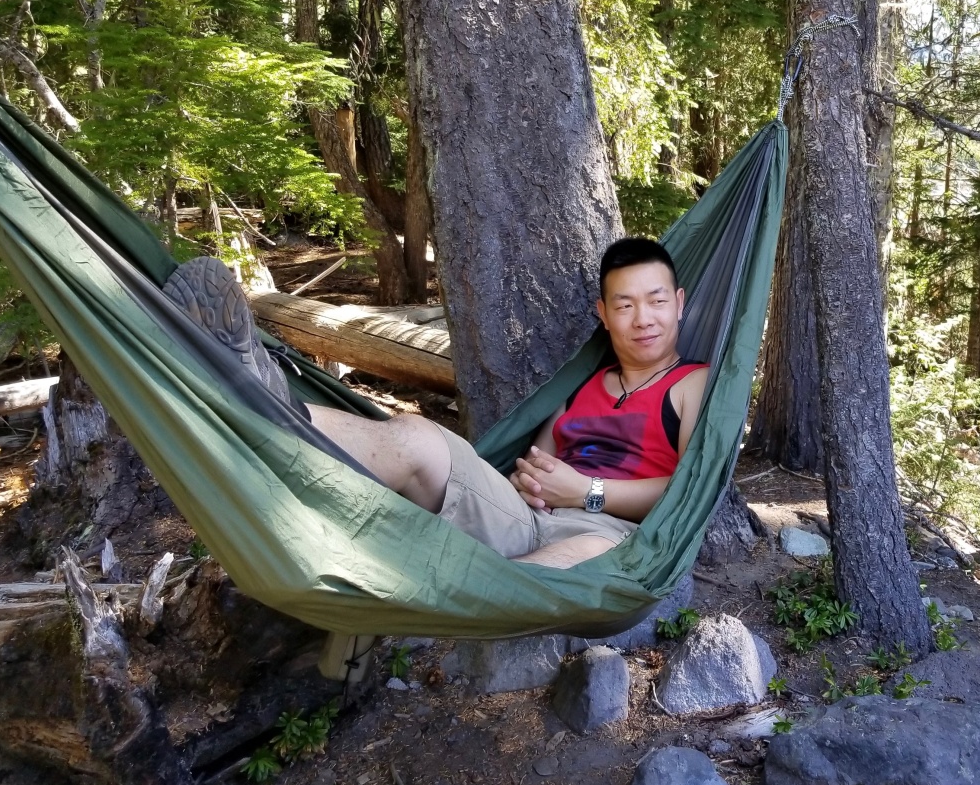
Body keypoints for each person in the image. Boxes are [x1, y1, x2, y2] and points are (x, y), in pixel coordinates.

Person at [164, 237, 707, 569]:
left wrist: (587, 493)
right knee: (417, 436)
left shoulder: (692, 383)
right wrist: (535, 484)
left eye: (656, 301)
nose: (643, 318)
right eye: (625, 305)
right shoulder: (583, 385)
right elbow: (536, 468)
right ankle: (265, 404)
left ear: (679, 305)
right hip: (521, 519)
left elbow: (688, 492)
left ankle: (477, 590)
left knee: (590, 560)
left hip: (608, 535)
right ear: (603, 314)